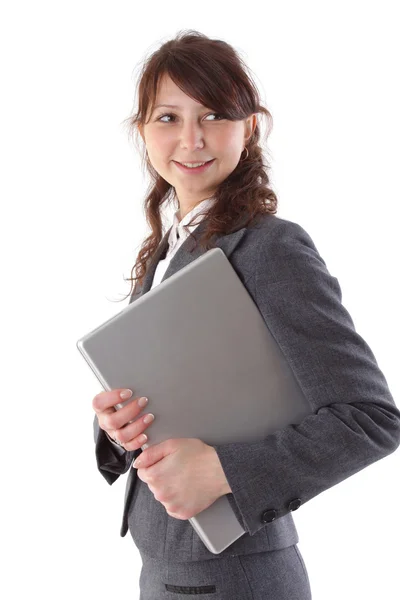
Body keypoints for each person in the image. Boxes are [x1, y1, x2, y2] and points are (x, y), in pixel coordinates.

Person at [92, 30, 400, 600]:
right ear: (142, 132)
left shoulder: (269, 248)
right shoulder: (165, 252)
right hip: (164, 571)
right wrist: (121, 428)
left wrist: (222, 472)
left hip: (235, 579)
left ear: (249, 127)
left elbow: (371, 419)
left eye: (213, 114)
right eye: (167, 117)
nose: (191, 138)